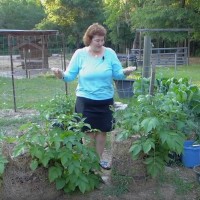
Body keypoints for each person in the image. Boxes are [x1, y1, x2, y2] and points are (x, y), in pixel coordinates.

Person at [52, 23, 136, 170]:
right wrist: (61, 75)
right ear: (89, 39)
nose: (100, 43)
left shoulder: (109, 53)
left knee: (102, 131)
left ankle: (97, 161)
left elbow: (117, 73)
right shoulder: (80, 54)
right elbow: (69, 76)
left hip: (105, 99)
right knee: (88, 132)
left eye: (102, 40)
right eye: (97, 40)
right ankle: (88, 162)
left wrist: (125, 72)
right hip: (85, 100)